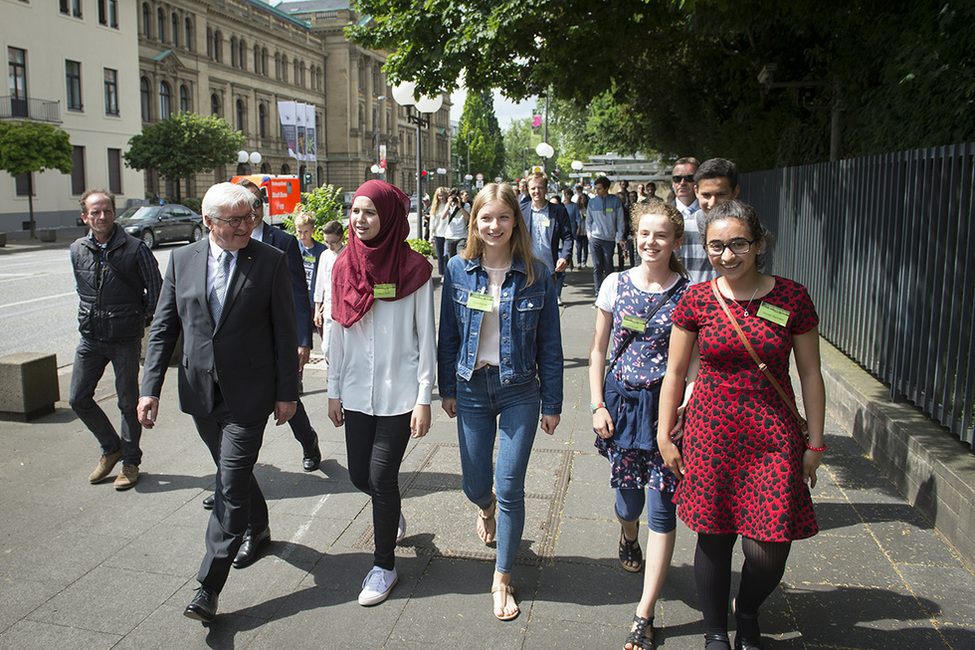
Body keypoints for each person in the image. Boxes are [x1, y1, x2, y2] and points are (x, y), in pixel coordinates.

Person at [657, 199, 826, 650]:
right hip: (711, 433)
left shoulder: (791, 297)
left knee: (768, 547)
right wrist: (663, 434)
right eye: (717, 246)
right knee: (713, 536)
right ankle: (716, 631)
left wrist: (816, 442)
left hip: (773, 437)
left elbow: (811, 373)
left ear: (758, 243)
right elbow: (675, 372)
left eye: (737, 244)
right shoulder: (697, 298)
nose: (727, 255)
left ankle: (747, 609)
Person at [138, 182, 299, 623]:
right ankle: (260, 526)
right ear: (208, 222)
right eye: (235, 220)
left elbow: (285, 332)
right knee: (237, 474)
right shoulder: (182, 260)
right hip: (200, 393)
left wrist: (288, 392)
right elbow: (164, 328)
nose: (247, 225)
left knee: (228, 485)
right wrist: (149, 389)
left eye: (250, 217)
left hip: (249, 395)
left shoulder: (270, 261)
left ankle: (208, 586)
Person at [438, 182, 564, 621]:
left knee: (510, 484)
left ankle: (502, 577)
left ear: (516, 221)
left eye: (503, 217)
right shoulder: (457, 268)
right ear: (474, 221)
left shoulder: (536, 272)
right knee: (475, 484)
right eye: (485, 218)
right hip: (471, 387)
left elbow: (550, 343)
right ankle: (485, 508)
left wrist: (553, 402)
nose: (494, 226)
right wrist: (447, 389)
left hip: (519, 391)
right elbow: (448, 336)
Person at [589, 201, 695, 650]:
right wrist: (596, 405)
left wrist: (682, 414)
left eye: (662, 236)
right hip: (621, 407)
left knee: (662, 510)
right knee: (628, 506)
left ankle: (644, 613)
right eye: (645, 234)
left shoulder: (689, 294)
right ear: (634, 236)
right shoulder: (615, 284)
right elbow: (597, 351)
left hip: (665, 413)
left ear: (676, 242)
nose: (652, 243)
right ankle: (627, 536)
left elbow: (689, 367)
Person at [327, 180, 436, 607]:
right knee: (360, 477)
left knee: (379, 476)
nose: (360, 220)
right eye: (355, 212)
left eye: (370, 212)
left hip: (400, 393)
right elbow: (335, 333)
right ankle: (390, 511)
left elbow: (424, 337)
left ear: (389, 216)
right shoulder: (342, 267)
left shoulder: (414, 270)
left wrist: (424, 397)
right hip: (354, 391)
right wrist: (333, 390)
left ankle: (384, 566)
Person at [70, 189, 162, 490]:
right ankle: (111, 448)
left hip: (124, 338)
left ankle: (131, 461)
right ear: (85, 216)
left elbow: (157, 291)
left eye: (107, 210)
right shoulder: (77, 249)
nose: (101, 216)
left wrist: (141, 320)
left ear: (114, 213)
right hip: (90, 337)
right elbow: (82, 289)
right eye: (95, 212)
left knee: (127, 403)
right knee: (78, 398)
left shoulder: (135, 249)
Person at [236, 179, 321, 473]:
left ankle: (308, 441)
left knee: (286, 397)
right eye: (246, 205)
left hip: (275, 338)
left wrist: (303, 339)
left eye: (257, 203)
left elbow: (298, 291)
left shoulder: (283, 241)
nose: (252, 211)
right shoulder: (228, 238)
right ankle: (232, 475)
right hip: (240, 340)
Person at [684, 158, 743, 284]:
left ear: (735, 192)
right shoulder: (683, 229)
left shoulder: (749, 230)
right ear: (696, 191)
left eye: (721, 195)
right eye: (706, 195)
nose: (713, 203)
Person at [521, 172, 573, 301]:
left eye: (540, 187)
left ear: (546, 189)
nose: (536, 191)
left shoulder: (558, 211)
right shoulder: (521, 211)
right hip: (527, 269)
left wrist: (565, 258)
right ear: (528, 189)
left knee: (548, 310)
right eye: (533, 188)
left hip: (550, 270)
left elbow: (567, 237)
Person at [587, 175, 625, 296]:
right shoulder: (592, 202)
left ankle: (609, 292)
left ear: (606, 188)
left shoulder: (615, 201)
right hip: (595, 238)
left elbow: (620, 220)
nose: (596, 191)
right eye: (595, 188)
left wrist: (620, 237)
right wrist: (589, 235)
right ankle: (598, 293)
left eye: (599, 188)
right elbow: (588, 220)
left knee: (608, 265)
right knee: (597, 266)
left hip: (609, 238)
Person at [312, 220, 346, 358]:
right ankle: (331, 372)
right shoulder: (325, 255)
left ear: (342, 238)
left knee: (345, 348)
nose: (330, 246)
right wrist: (317, 309)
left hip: (345, 308)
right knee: (327, 348)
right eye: (327, 242)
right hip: (329, 308)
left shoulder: (348, 254)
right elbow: (320, 282)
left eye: (333, 242)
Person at [442, 188, 470, 261]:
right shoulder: (448, 206)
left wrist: (460, 206)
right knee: (451, 259)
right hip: (450, 236)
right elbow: (443, 217)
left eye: (455, 197)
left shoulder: (466, 205)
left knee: (461, 258)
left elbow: (468, 217)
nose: (453, 199)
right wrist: (448, 204)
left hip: (462, 236)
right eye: (451, 197)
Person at [429, 187, 449, 276]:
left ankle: (448, 273)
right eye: (439, 196)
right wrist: (431, 235)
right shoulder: (435, 207)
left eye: (443, 195)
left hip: (448, 234)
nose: (441, 197)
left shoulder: (449, 205)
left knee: (446, 256)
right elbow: (432, 223)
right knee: (440, 256)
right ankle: (442, 274)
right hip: (438, 234)